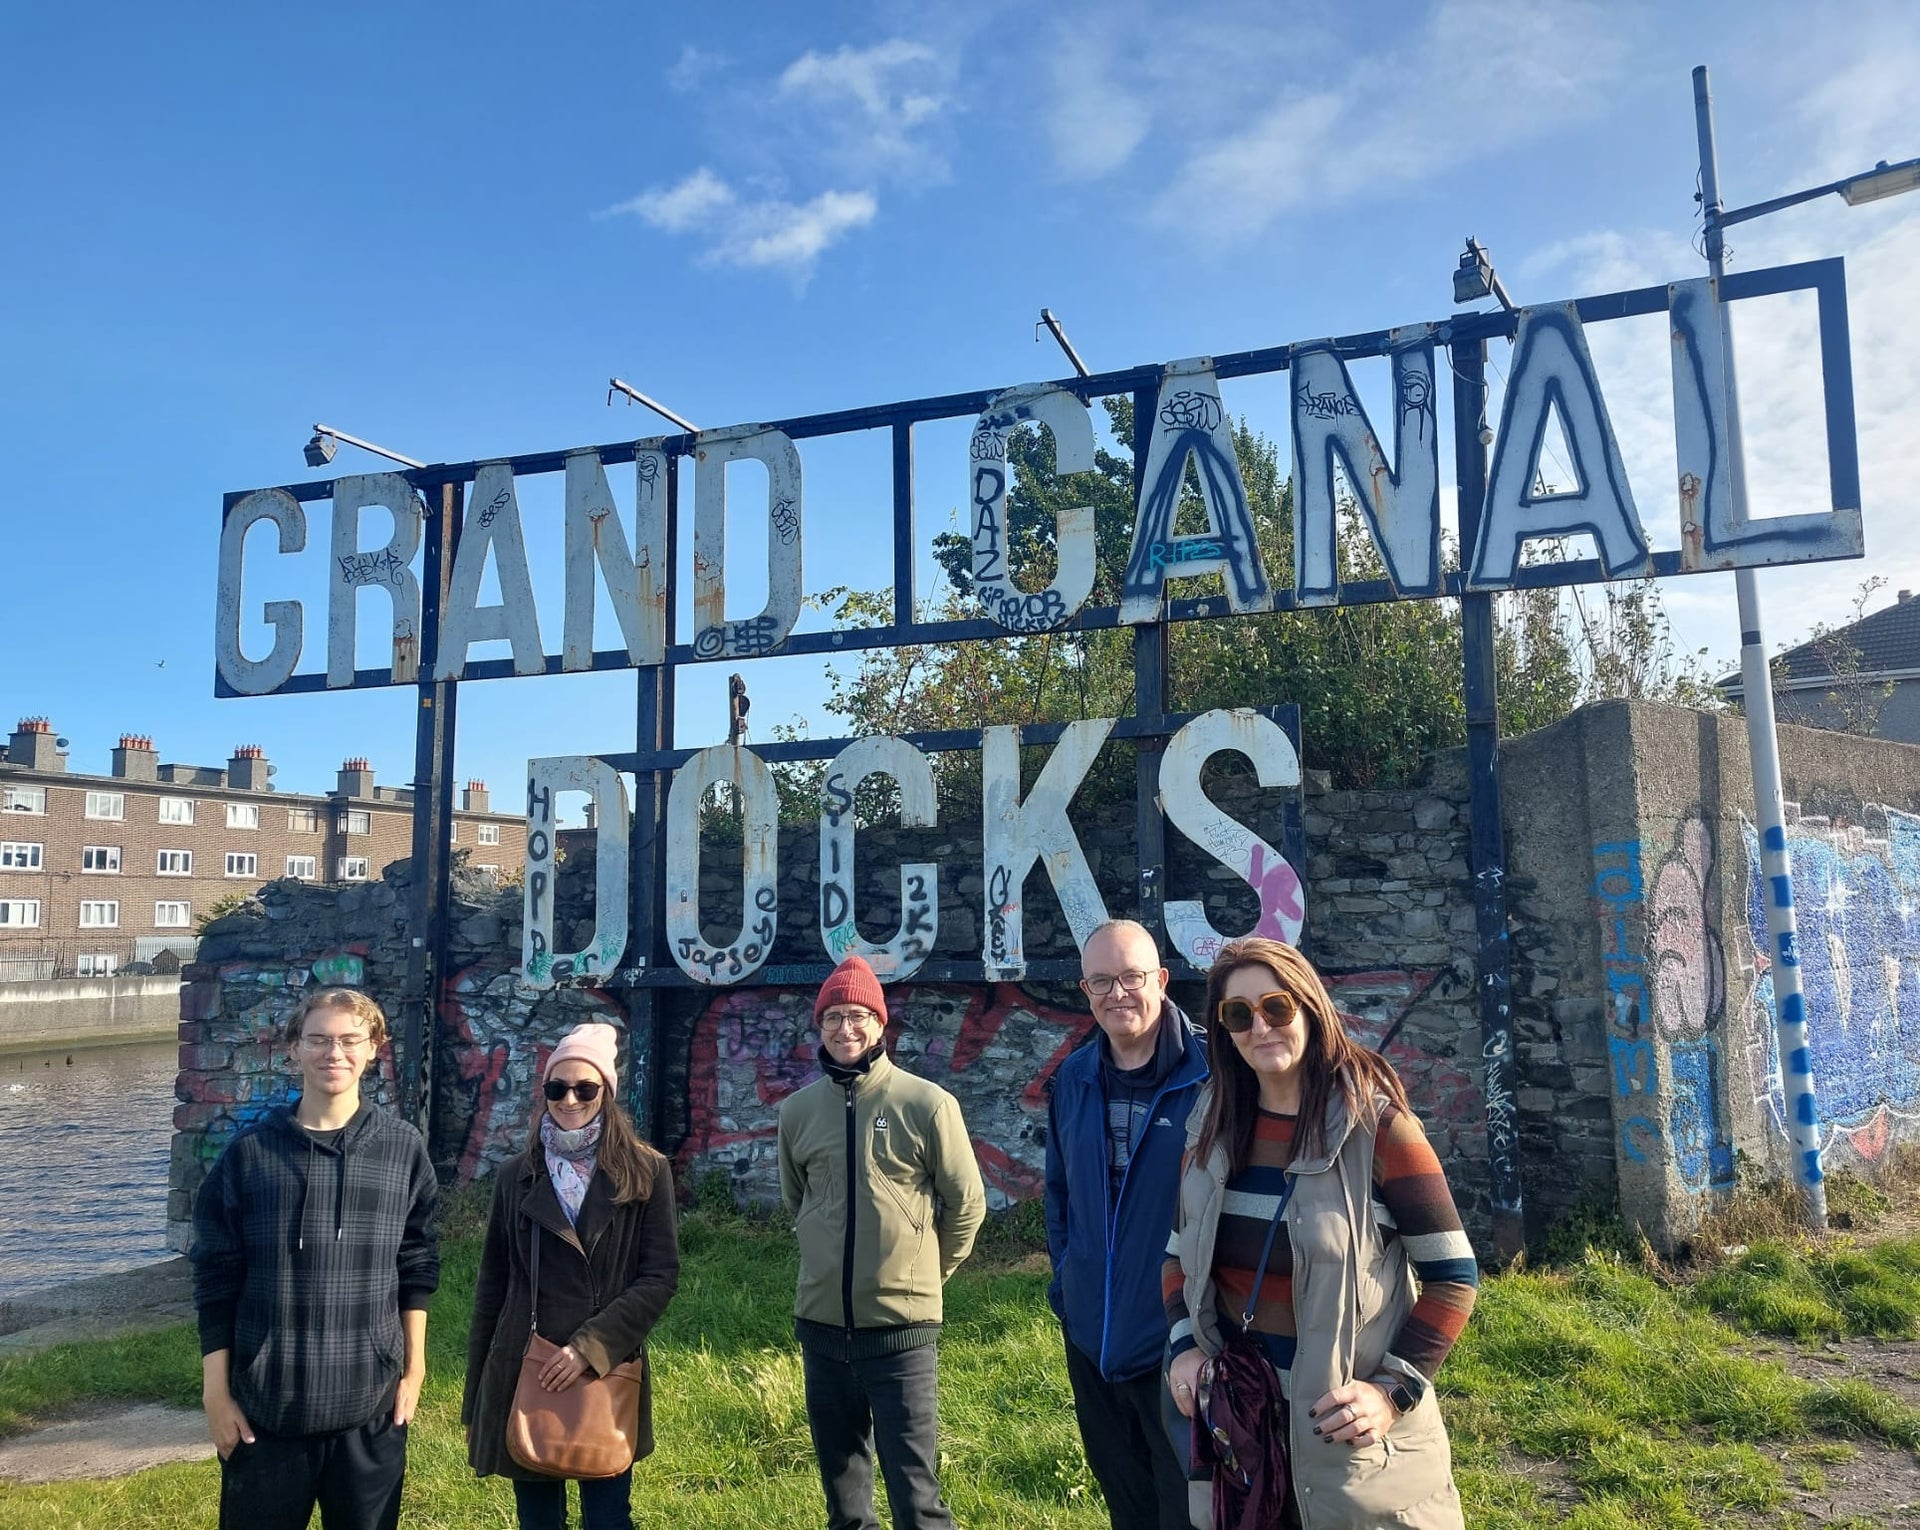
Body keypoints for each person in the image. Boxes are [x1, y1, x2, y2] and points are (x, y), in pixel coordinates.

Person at [1164, 937, 1479, 1530]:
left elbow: (1452, 1277)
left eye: (1276, 1007)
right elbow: (1178, 1254)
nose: (1260, 1027)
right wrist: (1183, 1349)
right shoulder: (1210, 1125)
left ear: (1309, 1007)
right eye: (1238, 1015)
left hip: (1346, 1450)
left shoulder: (1378, 1128)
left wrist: (1392, 1391)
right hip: (1242, 1433)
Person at [191, 987, 440, 1530]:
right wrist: (217, 1393)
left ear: (374, 1047)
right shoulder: (250, 1156)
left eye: (351, 1040)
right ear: (293, 1049)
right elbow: (215, 1277)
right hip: (266, 1413)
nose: (335, 1053)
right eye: (319, 1039)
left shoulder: (403, 1150)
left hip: (370, 1412)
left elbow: (417, 1263)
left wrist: (414, 1370)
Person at [778, 952, 988, 1530]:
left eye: (857, 1016)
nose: (845, 1029)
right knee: (845, 1505)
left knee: (916, 1499)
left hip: (900, 1334)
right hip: (821, 1328)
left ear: (880, 1023)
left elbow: (966, 1204)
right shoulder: (796, 1112)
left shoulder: (927, 1104)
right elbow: (798, 1201)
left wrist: (926, 1274)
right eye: (832, 1017)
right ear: (818, 1026)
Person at [463, 1022, 681, 1530]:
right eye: (557, 1088)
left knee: (608, 1518)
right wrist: (476, 1402)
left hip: (604, 1365)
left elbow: (659, 1275)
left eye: (586, 1088)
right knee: (538, 1521)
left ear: (606, 1093)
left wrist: (590, 1347)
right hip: (525, 1364)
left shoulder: (645, 1172)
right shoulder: (515, 1176)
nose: (570, 1099)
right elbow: (491, 1289)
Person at [1045, 918, 1208, 1530]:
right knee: (1127, 1508)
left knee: (1190, 1512)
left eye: (1132, 977)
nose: (1118, 994)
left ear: (1161, 980)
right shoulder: (1074, 1079)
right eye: (1100, 982)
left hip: (1184, 1340)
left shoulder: (1214, 1077)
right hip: (1092, 1336)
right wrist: (1068, 1284)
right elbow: (1058, 1196)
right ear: (1085, 991)